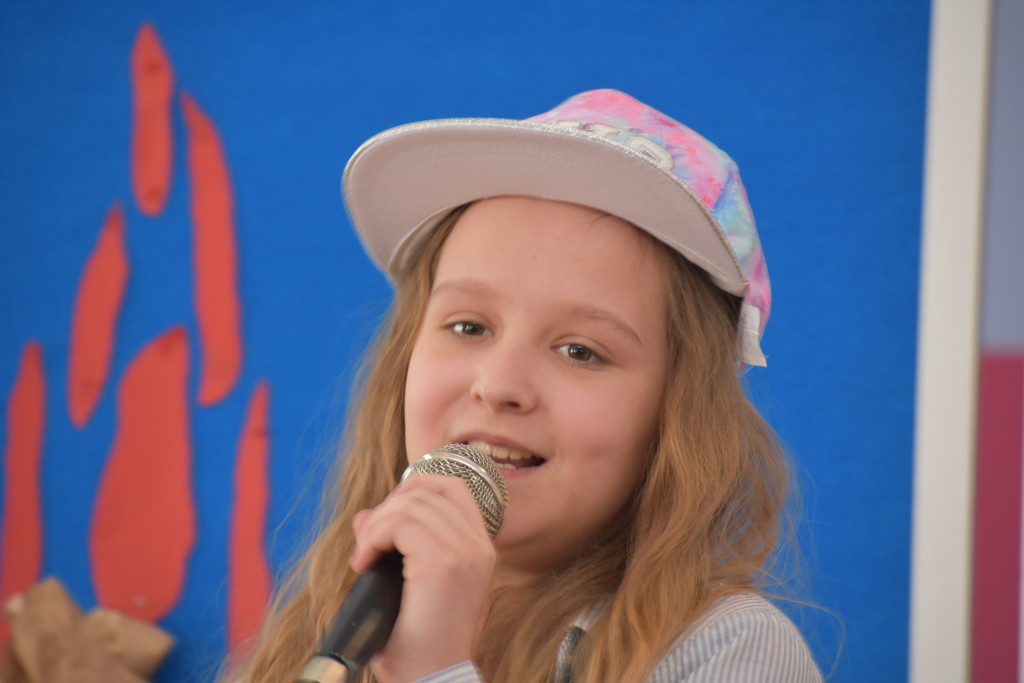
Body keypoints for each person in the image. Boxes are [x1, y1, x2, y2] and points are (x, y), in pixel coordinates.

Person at [231, 89, 822, 682]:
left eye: (580, 351)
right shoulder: (317, 626)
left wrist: (433, 669)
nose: (498, 385)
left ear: (677, 414)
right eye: (469, 326)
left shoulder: (731, 647)